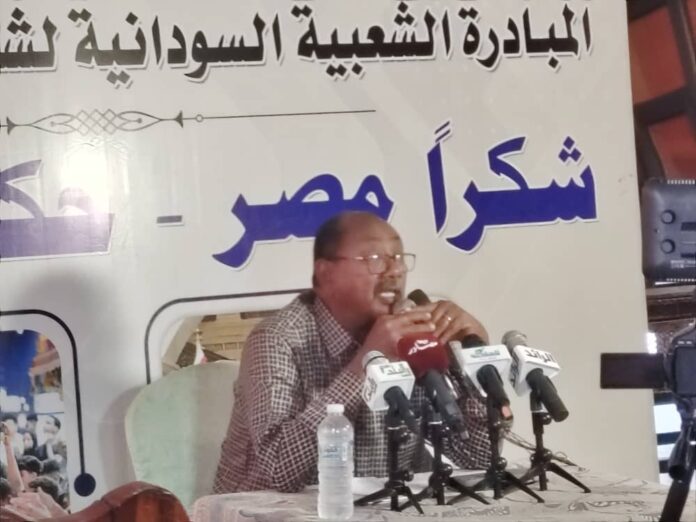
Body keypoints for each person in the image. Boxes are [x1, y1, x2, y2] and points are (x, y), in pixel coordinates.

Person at [214, 211, 493, 493]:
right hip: (271, 509)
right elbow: (279, 470)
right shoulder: (278, 339)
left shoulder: (415, 336)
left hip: (389, 506)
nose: (395, 270)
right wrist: (364, 365)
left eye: (398, 257)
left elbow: (478, 457)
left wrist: (474, 359)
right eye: (375, 258)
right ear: (326, 273)